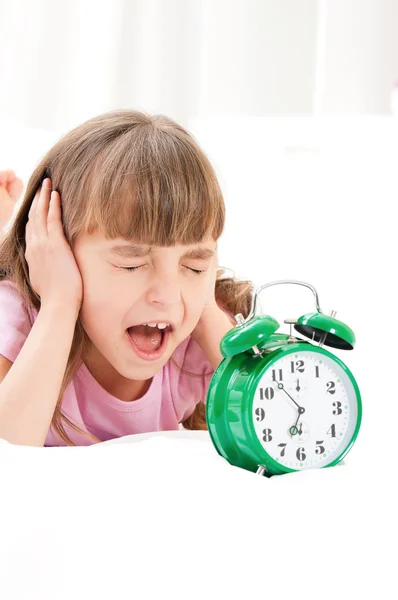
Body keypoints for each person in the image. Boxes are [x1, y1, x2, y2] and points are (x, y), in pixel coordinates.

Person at [0, 110, 253, 447]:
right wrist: (60, 302)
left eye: (193, 265)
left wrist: (206, 308)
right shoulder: (19, 318)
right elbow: (9, 453)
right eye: (131, 264)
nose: (167, 296)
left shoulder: (194, 340)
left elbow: (277, 417)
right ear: (59, 253)